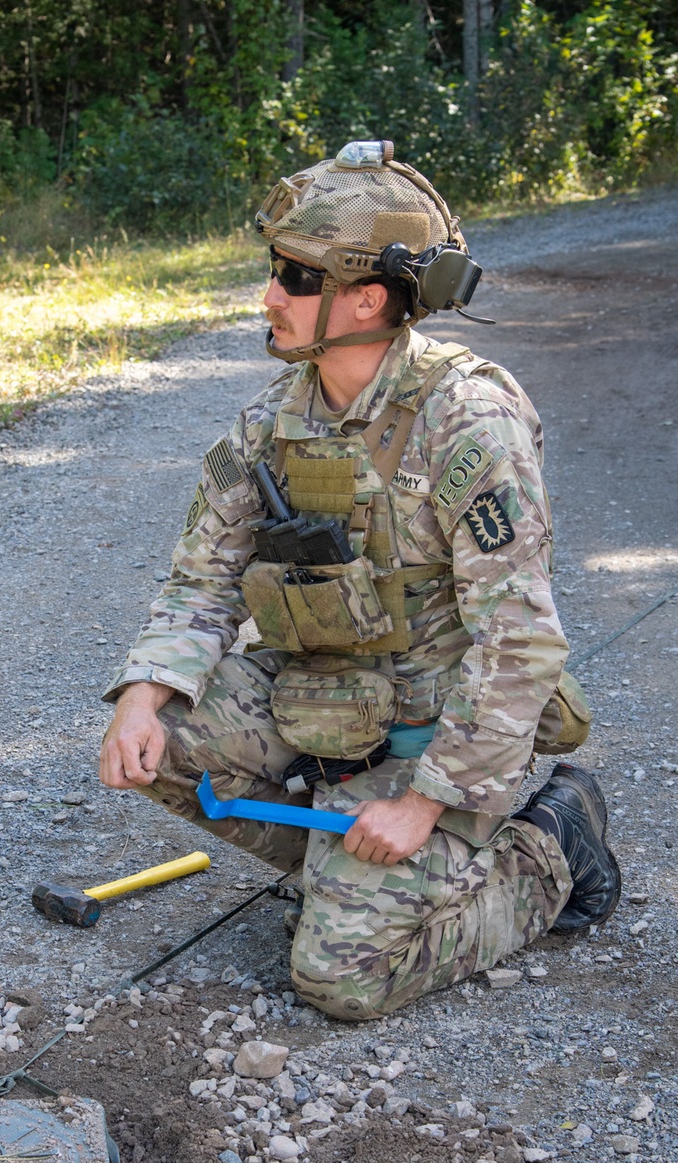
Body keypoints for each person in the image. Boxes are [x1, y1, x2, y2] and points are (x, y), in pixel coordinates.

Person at [99, 140, 620, 1021]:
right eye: (274, 270)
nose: (270, 294)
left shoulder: (468, 418)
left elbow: (519, 642)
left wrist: (425, 804)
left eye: (294, 278)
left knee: (339, 981)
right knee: (163, 746)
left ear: (366, 298)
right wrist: (143, 695)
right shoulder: (272, 422)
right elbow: (202, 579)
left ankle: (552, 842)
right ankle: (349, 874)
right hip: (320, 690)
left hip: (432, 721)